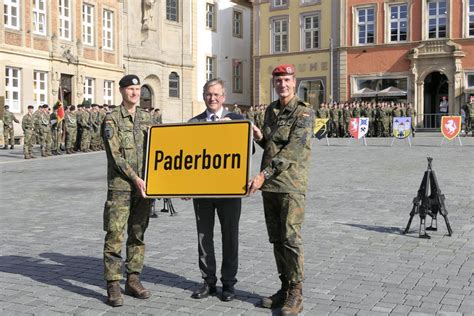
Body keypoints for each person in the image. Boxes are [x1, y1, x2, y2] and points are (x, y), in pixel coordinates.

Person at [249, 64, 314, 315]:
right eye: (278, 81)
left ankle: (296, 293)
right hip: (270, 187)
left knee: (290, 238)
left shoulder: (304, 113)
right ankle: (284, 288)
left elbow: (291, 152)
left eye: (286, 80)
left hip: (290, 185)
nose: (282, 85)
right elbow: (271, 145)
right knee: (276, 238)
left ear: (294, 82)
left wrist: (262, 176)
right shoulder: (271, 110)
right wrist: (258, 136)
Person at [188, 78, 243, 302]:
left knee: (230, 236)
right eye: (209, 94)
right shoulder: (194, 122)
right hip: (203, 191)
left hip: (229, 190)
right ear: (204, 96)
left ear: (224, 97)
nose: (213, 98)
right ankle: (208, 282)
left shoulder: (238, 119)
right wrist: (185, 185)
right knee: (204, 237)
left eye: (217, 94)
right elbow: (187, 159)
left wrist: (230, 130)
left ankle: (228, 284)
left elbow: (246, 151)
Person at [102, 74, 154, 307]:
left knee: (138, 233)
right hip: (121, 187)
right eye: (130, 89)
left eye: (138, 89)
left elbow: (160, 150)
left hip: (144, 188)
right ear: (121, 91)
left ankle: (133, 279)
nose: (135, 93)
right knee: (115, 235)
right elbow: (116, 156)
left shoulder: (147, 118)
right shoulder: (111, 119)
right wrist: (135, 178)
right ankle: (113, 284)